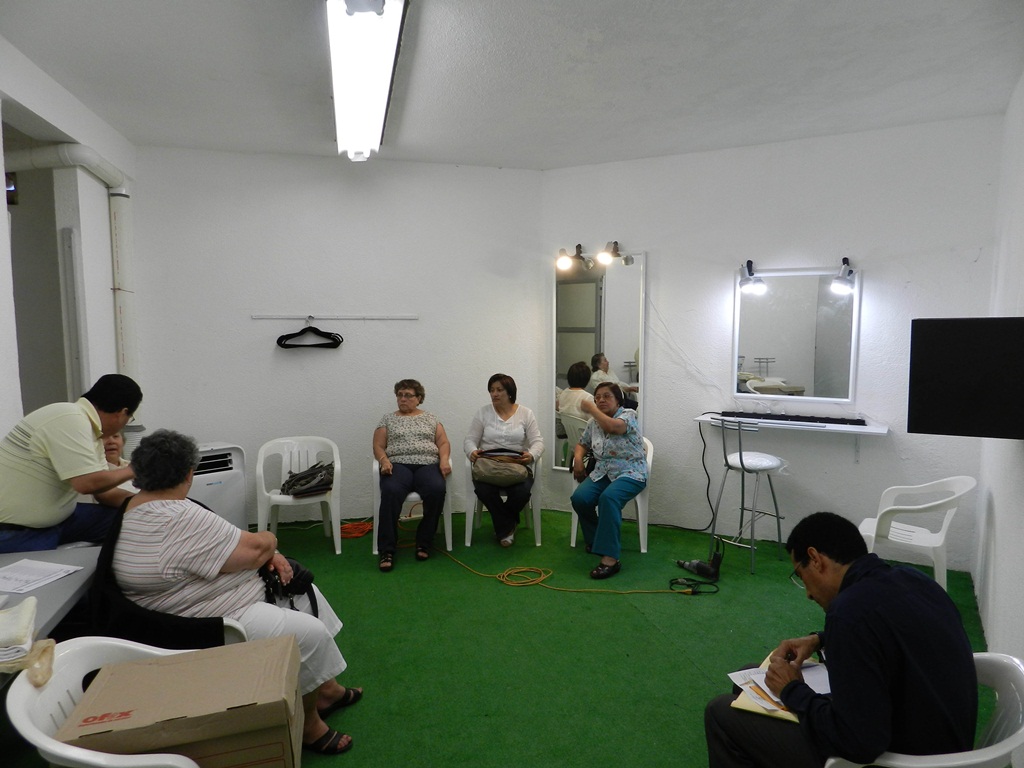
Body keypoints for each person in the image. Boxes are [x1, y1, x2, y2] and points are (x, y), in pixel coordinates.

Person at [112, 429, 362, 756]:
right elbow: (255, 546)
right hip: (211, 621)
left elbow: (225, 548)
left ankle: (326, 689)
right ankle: (310, 726)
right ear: (188, 474)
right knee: (310, 633)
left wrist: (266, 555)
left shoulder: (135, 506)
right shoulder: (177, 516)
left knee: (304, 589)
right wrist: (271, 544)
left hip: (189, 605)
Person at [704, 511, 978, 768]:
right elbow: (889, 630)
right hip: (944, 745)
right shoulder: (913, 579)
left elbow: (859, 743)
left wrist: (792, 690)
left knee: (720, 712)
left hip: (900, 758)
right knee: (751, 677)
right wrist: (820, 640)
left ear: (815, 559)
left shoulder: (848, 613)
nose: (808, 594)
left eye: (800, 575)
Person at [0, 374, 142, 553]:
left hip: (59, 520)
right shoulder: (70, 418)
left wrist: (151, 502)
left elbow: (105, 493)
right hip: (16, 531)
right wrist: (137, 468)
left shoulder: (91, 430)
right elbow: (87, 483)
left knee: (132, 521)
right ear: (122, 413)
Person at [373, 378, 452, 572]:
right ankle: (387, 549)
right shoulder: (387, 419)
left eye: (408, 395)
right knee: (391, 491)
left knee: (436, 489)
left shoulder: (431, 418)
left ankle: (424, 542)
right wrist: (384, 460)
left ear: (419, 398)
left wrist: (444, 460)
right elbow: (378, 445)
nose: (403, 399)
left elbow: (443, 443)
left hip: (427, 464)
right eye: (400, 395)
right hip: (398, 465)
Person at [570, 382, 647, 579]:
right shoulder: (593, 423)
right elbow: (582, 444)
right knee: (580, 498)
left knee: (609, 498)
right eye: (597, 397)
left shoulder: (628, 415)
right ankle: (597, 539)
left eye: (606, 396)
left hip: (631, 472)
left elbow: (613, 427)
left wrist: (592, 409)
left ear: (618, 400)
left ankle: (610, 559)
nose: (601, 400)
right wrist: (578, 458)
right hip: (603, 472)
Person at [464, 373, 544, 547]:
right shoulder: (483, 413)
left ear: (510, 392)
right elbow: (470, 440)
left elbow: (538, 442)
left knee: (522, 493)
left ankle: (503, 527)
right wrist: (472, 452)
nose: (494, 394)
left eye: (499, 390)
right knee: (484, 491)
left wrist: (531, 455)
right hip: (488, 467)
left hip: (516, 466)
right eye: (492, 390)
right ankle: (508, 528)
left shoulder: (526, 413)